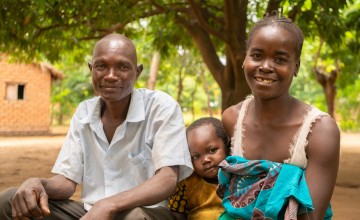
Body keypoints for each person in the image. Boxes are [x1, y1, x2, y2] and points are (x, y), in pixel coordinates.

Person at [0, 33, 193, 220]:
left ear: (137, 72)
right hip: (91, 214)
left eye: (122, 67)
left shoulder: (161, 107)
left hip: (147, 213)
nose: (110, 76)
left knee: (134, 217)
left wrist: (108, 204)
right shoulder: (84, 112)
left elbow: (167, 179)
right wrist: (37, 184)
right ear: (91, 69)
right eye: (101, 66)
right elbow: (67, 181)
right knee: (10, 200)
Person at [220, 11, 340, 220]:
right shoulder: (231, 119)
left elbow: (311, 216)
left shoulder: (320, 131)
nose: (265, 66)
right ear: (244, 59)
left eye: (280, 59)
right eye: (257, 55)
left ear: (296, 66)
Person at [167, 117, 230, 220]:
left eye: (212, 150)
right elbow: (177, 215)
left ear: (226, 146)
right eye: (196, 157)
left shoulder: (239, 178)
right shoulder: (187, 183)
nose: (205, 160)